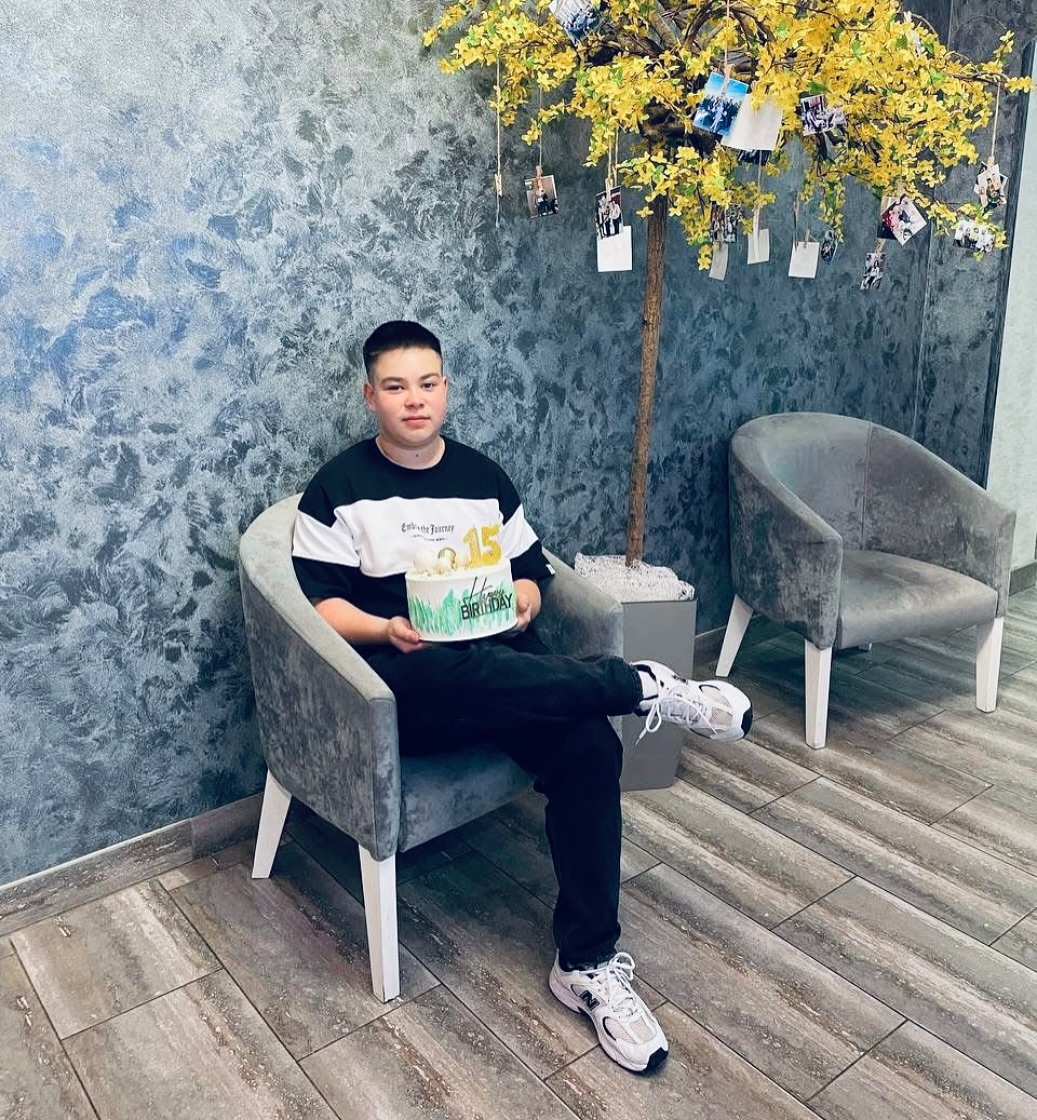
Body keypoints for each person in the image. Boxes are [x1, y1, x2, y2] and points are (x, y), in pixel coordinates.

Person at [291, 320, 754, 1075]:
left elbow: (532, 571)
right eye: (397, 386)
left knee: (588, 744)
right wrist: (388, 628)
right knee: (454, 671)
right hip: (409, 681)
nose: (415, 399)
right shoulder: (337, 489)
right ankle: (637, 685)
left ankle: (586, 964)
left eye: (428, 383)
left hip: (507, 664)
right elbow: (319, 608)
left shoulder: (484, 477)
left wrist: (527, 602)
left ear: (446, 388)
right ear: (370, 396)